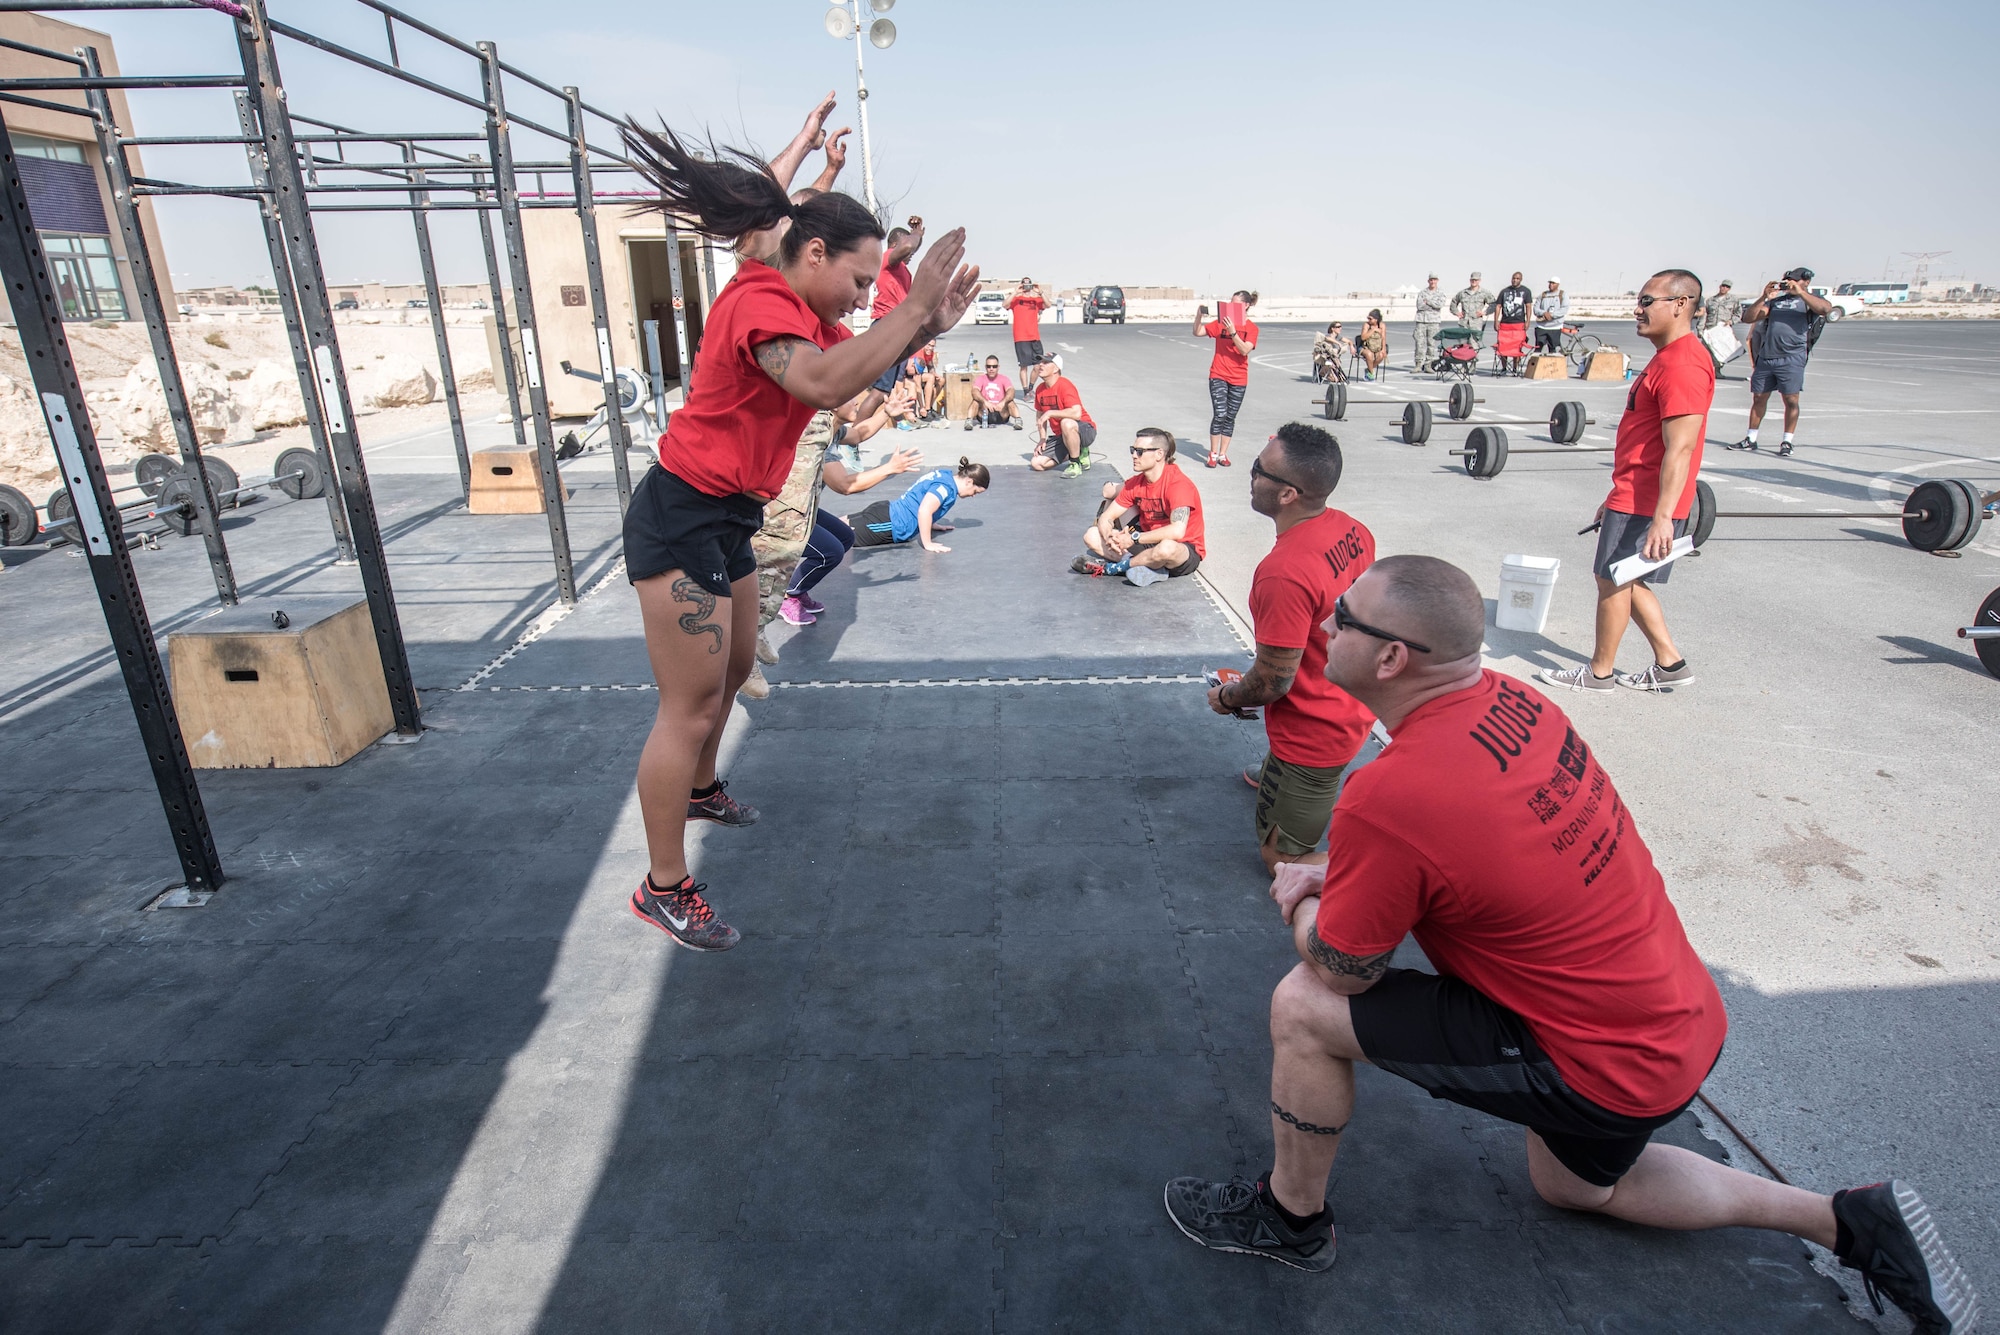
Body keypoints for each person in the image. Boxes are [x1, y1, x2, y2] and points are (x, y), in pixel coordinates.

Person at [1163, 555, 1980, 1335]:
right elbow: (1462, 839)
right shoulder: (1519, 703)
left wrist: (1301, 896)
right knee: (1575, 1187)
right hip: (1676, 1023)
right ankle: (1845, 1219)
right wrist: (1342, 875)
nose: (1326, 627)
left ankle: (1290, 1219)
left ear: (1390, 658)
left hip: (1600, 1062)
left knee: (1304, 1005)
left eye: (1341, 619)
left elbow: (1344, 966)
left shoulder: (1391, 791)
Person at [616, 118, 980, 951]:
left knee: (738, 664)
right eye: (859, 281)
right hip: (681, 519)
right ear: (812, 254)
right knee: (690, 705)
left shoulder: (805, 309)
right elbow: (821, 384)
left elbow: (851, 382)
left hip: (730, 516)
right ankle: (663, 887)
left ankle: (702, 786)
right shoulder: (759, 301)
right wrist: (912, 299)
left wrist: (923, 327)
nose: (862, 298)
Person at [1206, 422, 1375, 875]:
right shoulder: (1353, 530)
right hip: (1352, 699)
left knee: (1282, 861)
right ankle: (1275, 774)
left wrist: (1227, 697)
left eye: (1259, 469)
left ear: (1287, 495)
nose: (1251, 474)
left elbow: (1274, 682)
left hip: (1317, 736)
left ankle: (1388, 865)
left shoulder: (1283, 572)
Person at [1539, 270, 1710, 696]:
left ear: (1680, 304)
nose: (1638, 309)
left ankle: (1599, 673)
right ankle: (1670, 662)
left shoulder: (1684, 364)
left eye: (1647, 301)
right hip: (1634, 494)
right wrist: (1614, 496)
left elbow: (1681, 449)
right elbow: (1649, 442)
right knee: (1625, 579)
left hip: (1649, 500)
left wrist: (1663, 518)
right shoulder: (1667, 357)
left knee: (1613, 580)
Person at [779, 443, 922, 626]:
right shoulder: (816, 431)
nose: (856, 413)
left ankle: (798, 589)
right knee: (830, 552)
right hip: (784, 512)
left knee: (845, 536)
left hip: (805, 508)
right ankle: (787, 596)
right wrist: (888, 468)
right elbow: (844, 485)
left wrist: (886, 413)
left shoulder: (835, 429)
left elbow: (859, 433)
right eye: (854, 410)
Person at [1071, 427, 1205, 585]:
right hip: (1148, 541)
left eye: (1140, 451)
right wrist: (1110, 537)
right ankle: (1149, 568)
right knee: (1091, 535)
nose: (1134, 455)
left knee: (1166, 547)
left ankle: (1114, 568)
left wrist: (1134, 538)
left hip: (1181, 548)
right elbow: (1108, 516)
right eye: (1133, 450)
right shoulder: (1136, 483)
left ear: (1159, 454)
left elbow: (1177, 531)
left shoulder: (1178, 484)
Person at [1729, 268, 1832, 458]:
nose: (1789, 284)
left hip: (1792, 358)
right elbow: (1748, 318)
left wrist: (1801, 292)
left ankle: (1787, 441)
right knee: (1759, 397)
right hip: (1768, 357)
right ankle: (1751, 438)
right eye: (1786, 281)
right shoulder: (1776, 302)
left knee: (1791, 400)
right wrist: (1763, 297)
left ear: (1806, 282)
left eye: (1793, 281)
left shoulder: (1808, 302)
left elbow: (1826, 309)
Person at [851, 456, 990, 552]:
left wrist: (932, 523)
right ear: (969, 481)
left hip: (885, 512)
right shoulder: (945, 489)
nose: (973, 496)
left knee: (839, 526)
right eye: (976, 492)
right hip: (891, 523)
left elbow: (921, 497)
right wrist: (928, 544)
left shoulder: (944, 476)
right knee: (843, 537)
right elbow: (924, 510)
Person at [1193, 289, 1260, 467]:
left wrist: (1233, 332)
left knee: (1230, 416)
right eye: (1230, 304)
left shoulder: (1252, 328)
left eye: (1236, 304)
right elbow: (1198, 332)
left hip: (1239, 377)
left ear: (1246, 305)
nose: (1231, 307)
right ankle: (1213, 454)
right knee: (1220, 413)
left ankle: (1223, 454)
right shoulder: (1220, 323)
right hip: (1218, 374)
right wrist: (1198, 315)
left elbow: (1244, 349)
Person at [1029, 355, 1097, 477]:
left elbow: (1076, 413)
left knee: (1066, 422)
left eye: (1046, 363)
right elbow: (1040, 416)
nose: (1041, 365)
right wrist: (1042, 438)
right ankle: (1076, 451)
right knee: (1037, 464)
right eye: (1040, 362)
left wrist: (1050, 413)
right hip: (1062, 436)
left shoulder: (1065, 385)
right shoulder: (1040, 389)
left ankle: (1075, 464)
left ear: (1056, 369)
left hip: (1085, 429)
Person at [1008, 278, 1048, 393]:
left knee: (1038, 365)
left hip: (1034, 337)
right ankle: (1025, 390)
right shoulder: (1016, 300)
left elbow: (1048, 304)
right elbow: (1004, 304)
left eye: (1028, 285)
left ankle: (1031, 387)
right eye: (1024, 285)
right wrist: (1016, 291)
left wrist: (1040, 292)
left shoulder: (1036, 300)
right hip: (1021, 337)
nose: (1026, 288)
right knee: (1024, 366)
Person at [966, 353, 1023, 430]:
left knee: (1010, 401)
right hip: (984, 414)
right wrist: (985, 402)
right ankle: (969, 421)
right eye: (989, 366)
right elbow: (974, 391)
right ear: (986, 367)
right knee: (975, 401)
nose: (991, 369)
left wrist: (1003, 402)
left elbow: (1011, 391)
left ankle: (1018, 420)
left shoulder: (1004, 378)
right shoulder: (981, 378)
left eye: (994, 366)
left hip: (1001, 413)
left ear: (998, 367)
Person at [1494, 271, 1533, 375]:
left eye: (1517, 278)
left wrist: (1528, 321)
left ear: (1521, 279)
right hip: (1505, 323)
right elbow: (1498, 306)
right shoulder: (1504, 291)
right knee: (1503, 345)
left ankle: (1515, 368)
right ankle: (1504, 368)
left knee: (1516, 346)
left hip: (1519, 323)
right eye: (1513, 278)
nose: (1515, 280)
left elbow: (1528, 306)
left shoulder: (1526, 291)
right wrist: (1496, 321)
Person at [1412, 274, 1447, 374]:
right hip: (1421, 321)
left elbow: (1439, 305)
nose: (1433, 282)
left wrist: (1429, 302)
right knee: (1419, 343)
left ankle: (1428, 365)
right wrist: (1432, 305)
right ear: (1428, 281)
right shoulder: (1423, 293)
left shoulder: (1440, 293)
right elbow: (1419, 305)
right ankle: (1418, 365)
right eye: (1431, 280)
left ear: (1437, 281)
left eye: (1434, 280)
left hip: (1433, 321)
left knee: (1431, 344)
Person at [1449, 271, 1495, 340]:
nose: (1474, 281)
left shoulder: (1484, 293)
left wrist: (1485, 312)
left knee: (1474, 346)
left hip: (1476, 325)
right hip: (1464, 324)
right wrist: (1456, 312)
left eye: (1476, 280)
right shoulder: (1463, 293)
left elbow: (1494, 304)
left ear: (1479, 281)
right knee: (1463, 346)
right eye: (1472, 280)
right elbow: (1453, 302)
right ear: (1470, 280)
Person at [1534, 278, 1568, 355]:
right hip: (1542, 326)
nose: (1551, 285)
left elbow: (1564, 309)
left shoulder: (1562, 294)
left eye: (1553, 283)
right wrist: (1544, 313)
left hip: (1555, 327)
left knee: (1552, 349)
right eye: (1550, 283)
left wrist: (1552, 315)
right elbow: (1535, 309)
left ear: (1558, 284)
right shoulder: (1543, 295)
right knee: (1537, 349)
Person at [1354, 310, 1388, 381]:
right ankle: (1371, 373)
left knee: (1381, 355)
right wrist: (1373, 330)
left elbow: (1383, 338)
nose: (1368, 320)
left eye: (1370, 319)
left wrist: (1383, 349)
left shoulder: (1382, 325)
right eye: (1368, 318)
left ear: (1376, 319)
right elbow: (1363, 337)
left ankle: (1369, 369)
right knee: (1369, 354)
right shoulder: (1366, 325)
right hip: (1365, 347)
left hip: (1377, 347)